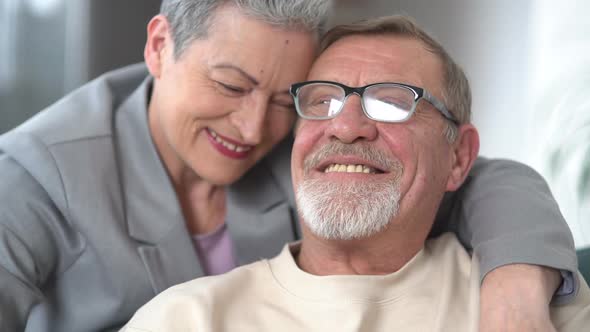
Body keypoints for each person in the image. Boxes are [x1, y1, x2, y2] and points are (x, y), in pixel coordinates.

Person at [0, 1, 577, 331]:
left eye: (285, 99)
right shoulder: (31, 177)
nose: (253, 130)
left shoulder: (312, 138)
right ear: (158, 47)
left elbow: (488, 179)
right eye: (230, 85)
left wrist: (514, 291)